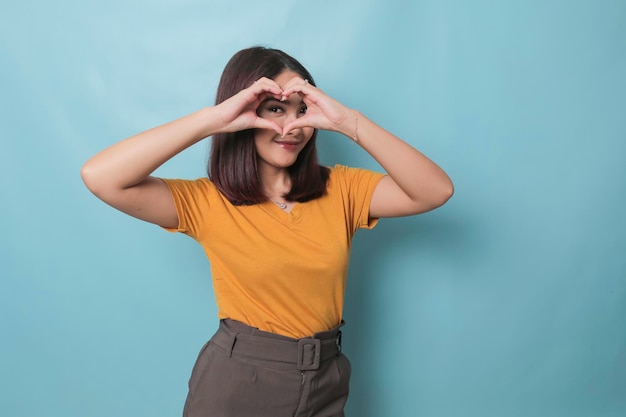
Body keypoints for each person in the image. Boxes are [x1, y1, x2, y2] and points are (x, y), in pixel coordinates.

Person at [81, 46, 453, 417]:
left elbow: (436, 191)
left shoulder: (342, 189)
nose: (292, 127)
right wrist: (213, 120)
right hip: (241, 382)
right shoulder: (207, 201)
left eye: (302, 111)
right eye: (276, 109)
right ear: (246, 111)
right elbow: (101, 177)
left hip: (327, 379)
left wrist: (348, 122)